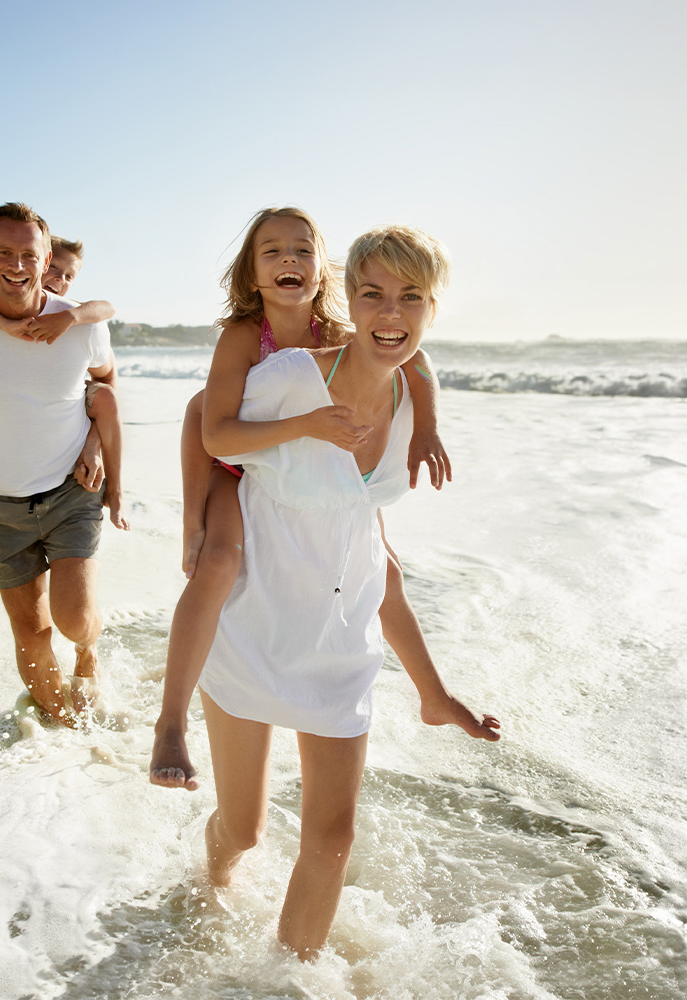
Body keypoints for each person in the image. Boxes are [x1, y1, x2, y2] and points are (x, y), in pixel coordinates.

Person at [194, 224, 500, 959]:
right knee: (243, 830)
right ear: (350, 299)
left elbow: (376, 558)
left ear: (432, 309)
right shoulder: (292, 376)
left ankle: (285, 978)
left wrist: (435, 692)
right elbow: (209, 431)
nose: (391, 313)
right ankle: (204, 892)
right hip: (255, 631)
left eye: (411, 297)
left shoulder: (414, 399)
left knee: (331, 838)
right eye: (373, 294)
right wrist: (197, 531)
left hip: (341, 646)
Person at [150, 208, 496, 790]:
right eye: (273, 252)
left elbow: (417, 363)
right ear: (251, 276)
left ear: (321, 270)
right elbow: (203, 425)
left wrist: (428, 428)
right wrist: (192, 519)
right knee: (217, 562)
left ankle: (432, 695)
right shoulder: (243, 337)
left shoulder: (338, 333)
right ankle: (170, 721)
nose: (290, 259)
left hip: (315, 467)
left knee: (385, 569)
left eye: (303, 250)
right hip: (233, 467)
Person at [0, 202, 116, 726]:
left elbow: (107, 386)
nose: (16, 264)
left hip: (70, 490)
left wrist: (96, 444)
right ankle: (61, 732)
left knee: (74, 621)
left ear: (45, 257)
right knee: (30, 634)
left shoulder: (78, 325)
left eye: (28, 254)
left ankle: (87, 652)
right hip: (0, 503)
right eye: (3, 252)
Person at [0, 237, 128, 613]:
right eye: (54, 271)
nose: (59, 281)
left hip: (67, 435)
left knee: (75, 616)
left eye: (68, 276)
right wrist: (0, 322)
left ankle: (117, 494)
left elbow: (107, 310)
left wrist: (70, 317)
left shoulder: (76, 320)